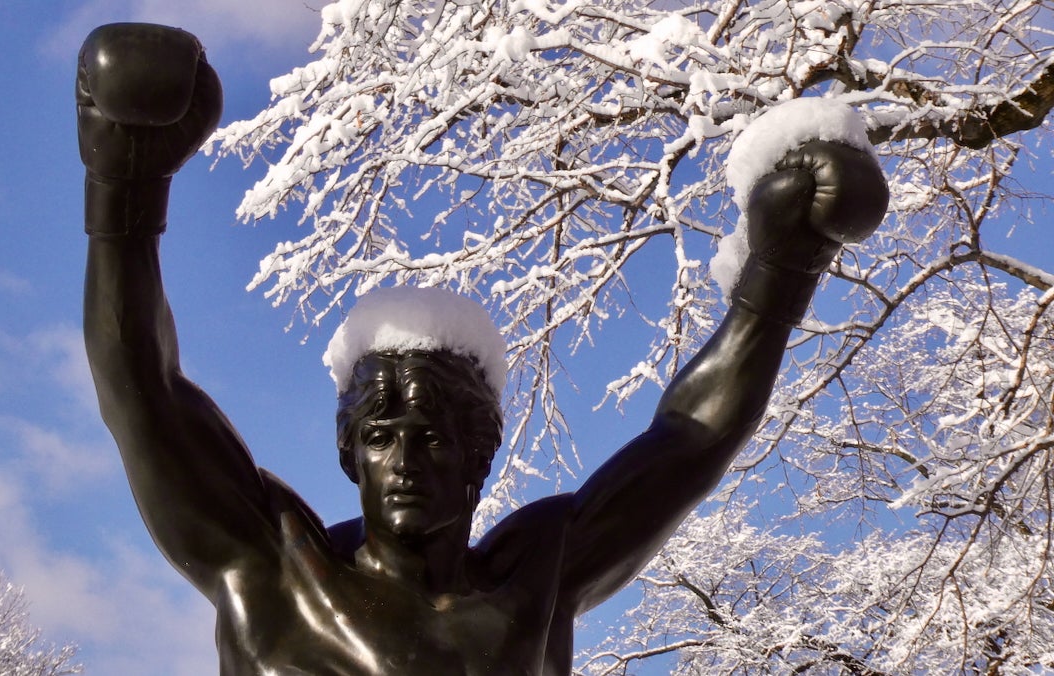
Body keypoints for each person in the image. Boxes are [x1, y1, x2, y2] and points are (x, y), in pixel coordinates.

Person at [78, 23, 889, 676]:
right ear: (348, 454)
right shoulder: (276, 569)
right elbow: (140, 391)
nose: (403, 460)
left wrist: (778, 279)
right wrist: (125, 193)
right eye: (380, 436)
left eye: (431, 437)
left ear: (479, 456)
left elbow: (689, 442)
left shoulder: (533, 580)